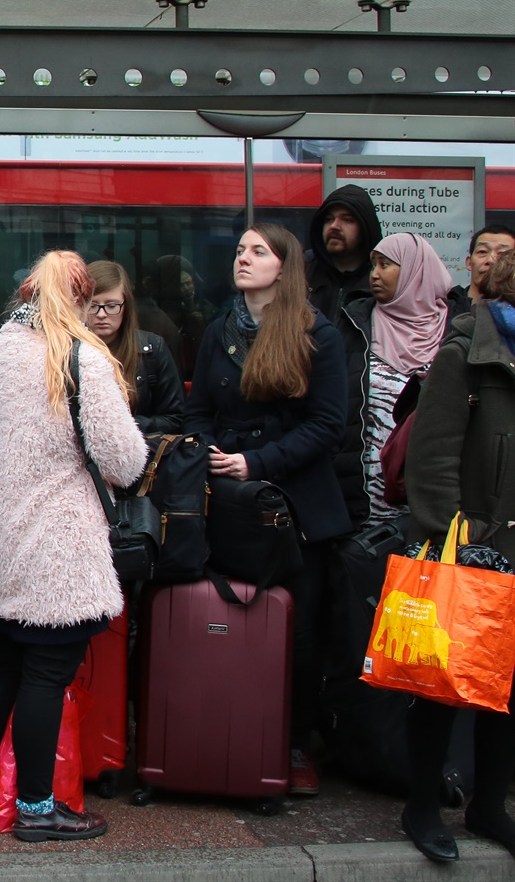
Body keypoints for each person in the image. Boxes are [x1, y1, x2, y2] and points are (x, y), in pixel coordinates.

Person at [0, 251, 146, 842]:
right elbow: (124, 460)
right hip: (58, 548)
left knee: (6, 663)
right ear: (75, 298)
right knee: (47, 673)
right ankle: (38, 809)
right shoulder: (80, 358)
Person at [184, 223, 351, 797]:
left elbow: (329, 426)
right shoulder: (218, 331)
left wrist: (256, 462)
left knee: (298, 634)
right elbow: (197, 409)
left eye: (259, 251)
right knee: (227, 619)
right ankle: (224, 731)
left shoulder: (317, 335)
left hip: (294, 503)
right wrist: (209, 453)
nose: (244, 259)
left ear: (285, 267)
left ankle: (294, 743)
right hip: (226, 498)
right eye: (239, 250)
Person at [399, 248, 515, 864]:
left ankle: (490, 805)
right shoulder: (465, 355)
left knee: (509, 690)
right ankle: (421, 805)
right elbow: (433, 461)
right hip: (473, 550)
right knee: (442, 685)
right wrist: (460, 541)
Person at [335, 233, 451, 527]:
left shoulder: (455, 330)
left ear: (416, 269)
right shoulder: (354, 323)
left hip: (431, 495)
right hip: (361, 497)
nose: (374, 274)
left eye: (385, 264)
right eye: (373, 265)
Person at [86, 260, 185, 435]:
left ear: (126, 306)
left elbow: (175, 418)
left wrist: (123, 424)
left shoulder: (153, 349)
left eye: (111, 306)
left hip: (141, 455)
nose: (102, 314)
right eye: (93, 305)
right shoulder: (67, 351)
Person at [306, 184, 384, 326]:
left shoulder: (379, 277)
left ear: (365, 228)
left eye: (347, 220)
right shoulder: (303, 268)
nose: (334, 226)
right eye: (328, 219)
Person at [446, 223, 515, 320]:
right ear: (469, 263)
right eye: (482, 252)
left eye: (502, 254)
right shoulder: (443, 310)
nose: (490, 260)